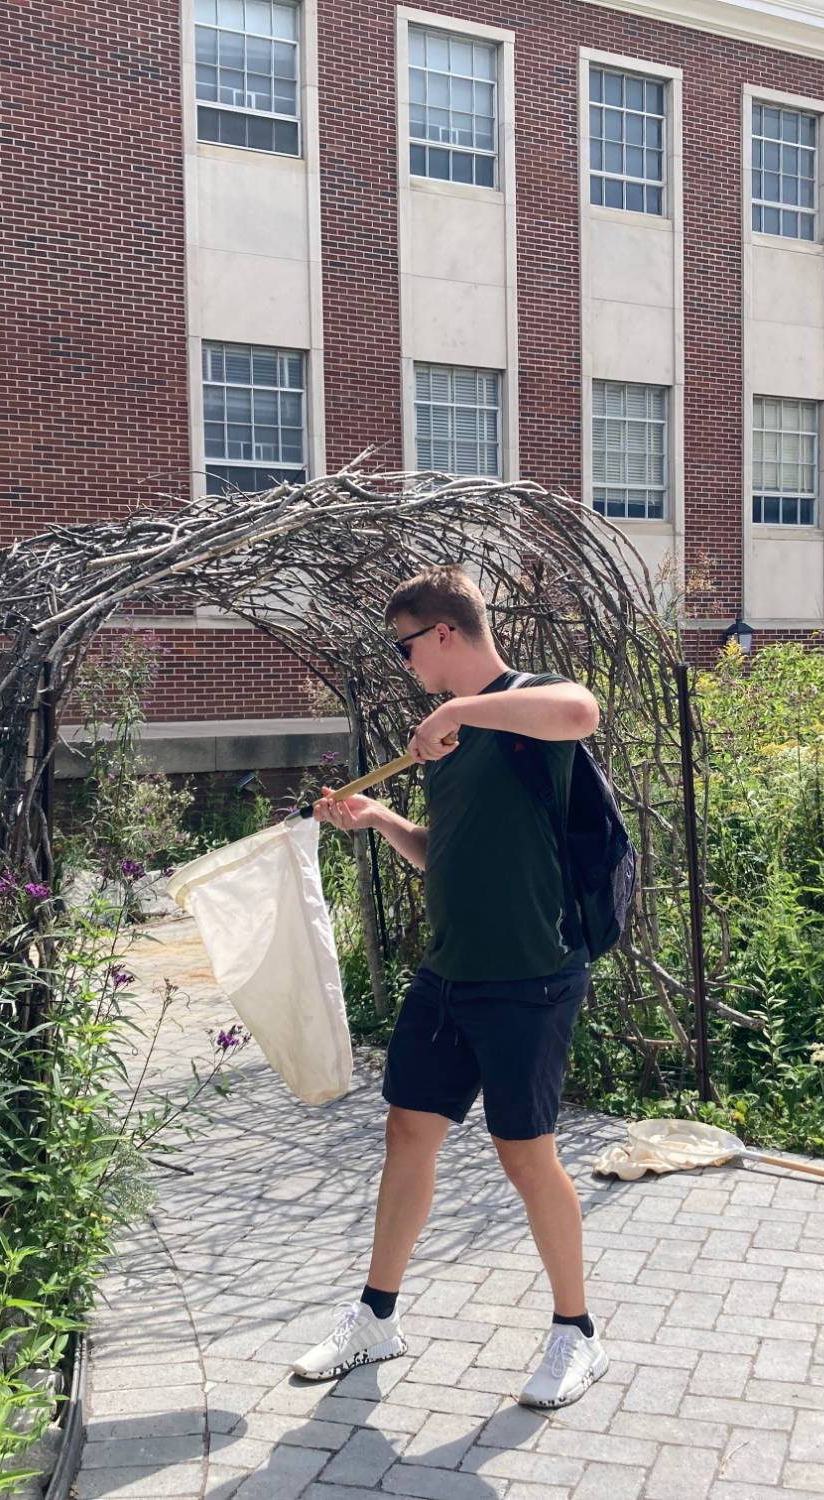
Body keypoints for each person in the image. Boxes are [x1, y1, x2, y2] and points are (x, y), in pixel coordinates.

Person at [288, 563, 610, 1410]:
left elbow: (582, 712)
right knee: (408, 1133)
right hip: (450, 971)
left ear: (440, 634)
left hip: (530, 975)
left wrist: (461, 709)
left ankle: (577, 1332)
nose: (406, 668)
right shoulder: (448, 743)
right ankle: (377, 1319)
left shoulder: (521, 703)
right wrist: (381, 821)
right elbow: (450, 853)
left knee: (524, 1154)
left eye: (405, 649)